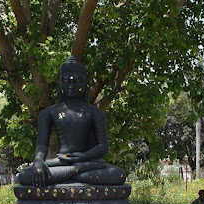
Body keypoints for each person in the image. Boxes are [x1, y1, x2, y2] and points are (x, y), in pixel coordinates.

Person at [17, 55, 126, 187]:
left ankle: (68, 175)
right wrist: (39, 160)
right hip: (61, 162)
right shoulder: (49, 113)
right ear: (60, 84)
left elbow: (103, 147)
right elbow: (42, 146)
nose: (71, 86)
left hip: (88, 162)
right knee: (24, 176)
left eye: (76, 82)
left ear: (84, 84)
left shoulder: (95, 112)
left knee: (118, 175)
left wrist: (83, 157)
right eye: (67, 82)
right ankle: (76, 174)